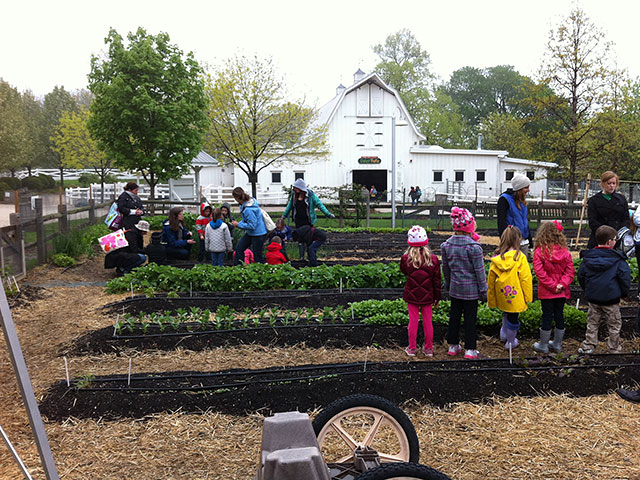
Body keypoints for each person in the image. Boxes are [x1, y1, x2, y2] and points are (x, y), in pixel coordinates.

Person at [441, 207, 487, 360]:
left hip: (455, 289)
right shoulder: (474, 248)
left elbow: (446, 269)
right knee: (470, 319)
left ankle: (453, 346)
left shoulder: (446, 246)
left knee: (454, 317)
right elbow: (479, 272)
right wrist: (484, 290)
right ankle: (470, 349)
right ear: (470, 226)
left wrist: (447, 284)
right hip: (471, 291)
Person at [577, 225, 631, 354]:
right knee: (614, 325)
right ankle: (614, 348)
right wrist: (623, 293)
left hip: (593, 298)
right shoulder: (618, 260)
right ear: (609, 242)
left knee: (592, 323)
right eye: (615, 239)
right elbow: (624, 279)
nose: (616, 241)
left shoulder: (588, 258)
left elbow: (581, 276)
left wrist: (588, 289)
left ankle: (588, 346)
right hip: (611, 299)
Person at [532, 220, 575, 353]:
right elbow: (570, 271)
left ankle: (543, 345)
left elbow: (540, 272)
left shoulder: (540, 252)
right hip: (561, 291)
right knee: (559, 315)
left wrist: (552, 286)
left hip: (547, 291)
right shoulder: (566, 253)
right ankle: (557, 344)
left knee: (547, 316)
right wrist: (561, 284)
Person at [488, 226, 533, 350]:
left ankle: (503, 334)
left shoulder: (496, 259)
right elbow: (526, 279)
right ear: (518, 240)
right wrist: (528, 297)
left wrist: (491, 299)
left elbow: (490, 281)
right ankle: (510, 341)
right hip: (516, 295)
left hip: (501, 294)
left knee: (505, 312)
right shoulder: (520, 258)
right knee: (514, 318)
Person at [400, 225, 441, 357]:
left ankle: (412, 348)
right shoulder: (433, 259)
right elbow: (437, 281)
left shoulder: (406, 259)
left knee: (413, 321)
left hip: (412, 294)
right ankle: (428, 348)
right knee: (428, 321)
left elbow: (404, 271)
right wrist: (437, 297)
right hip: (428, 295)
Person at [282, 179, 335, 260]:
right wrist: (284, 216)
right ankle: (302, 257)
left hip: (308, 221)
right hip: (298, 220)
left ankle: (310, 256)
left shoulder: (310, 195)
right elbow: (289, 206)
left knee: (308, 238)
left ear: (300, 188)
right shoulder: (294, 196)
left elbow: (319, 204)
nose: (294, 189)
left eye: (296, 187)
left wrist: (328, 214)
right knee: (300, 238)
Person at [587, 171, 629, 249]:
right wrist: (606, 234)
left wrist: (620, 233)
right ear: (603, 184)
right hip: (600, 240)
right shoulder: (594, 200)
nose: (611, 186)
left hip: (618, 240)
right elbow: (592, 221)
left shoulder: (621, 199)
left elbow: (625, 219)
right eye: (609, 183)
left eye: (614, 183)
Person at [497, 173, 532, 256]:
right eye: (526, 187)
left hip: (524, 241)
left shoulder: (522, 201)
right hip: (512, 242)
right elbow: (501, 222)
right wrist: (505, 241)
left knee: (523, 267)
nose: (528, 190)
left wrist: (530, 239)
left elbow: (524, 221)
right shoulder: (504, 199)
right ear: (519, 188)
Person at [231, 187, 267, 264]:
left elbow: (252, 225)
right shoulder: (248, 203)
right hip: (252, 233)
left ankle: (261, 272)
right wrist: (239, 223)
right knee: (239, 249)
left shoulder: (249, 209)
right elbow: (247, 220)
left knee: (257, 256)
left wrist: (238, 224)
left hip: (258, 234)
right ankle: (240, 267)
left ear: (237, 198)